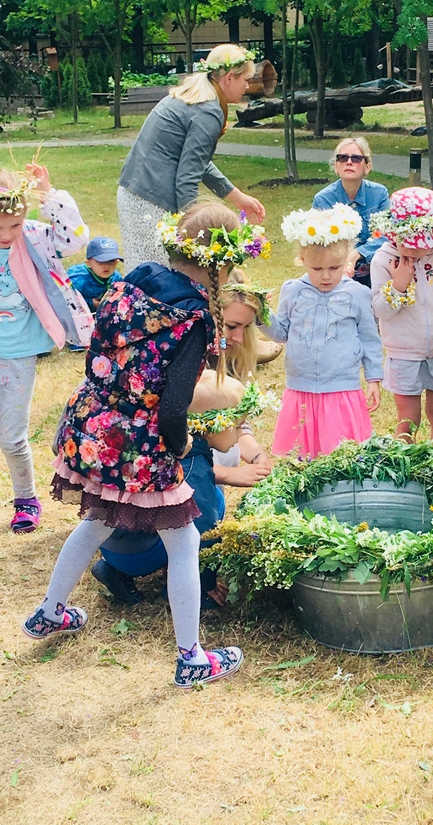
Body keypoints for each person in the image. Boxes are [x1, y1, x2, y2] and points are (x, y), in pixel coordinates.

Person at [21, 201, 268, 688]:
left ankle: (50, 611)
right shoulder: (194, 317)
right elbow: (174, 406)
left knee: (97, 520)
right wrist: (179, 446)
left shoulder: (136, 278)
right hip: (139, 443)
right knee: (186, 540)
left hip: (93, 424)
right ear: (221, 263)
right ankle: (191, 658)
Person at [90, 369, 247, 607]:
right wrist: (206, 581)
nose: (240, 434)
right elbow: (204, 531)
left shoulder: (163, 443)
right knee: (213, 507)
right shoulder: (194, 469)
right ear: (212, 426)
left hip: (112, 543)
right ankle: (184, 586)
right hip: (139, 554)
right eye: (237, 426)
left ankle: (112, 569)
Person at [0, 164, 93, 533]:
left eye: (14, 225)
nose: (6, 235)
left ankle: (26, 499)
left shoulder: (34, 238)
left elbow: (75, 239)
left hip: (18, 353)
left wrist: (48, 194)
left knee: (11, 435)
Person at [117, 43, 266, 272]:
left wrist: (236, 196)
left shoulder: (193, 97)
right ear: (228, 78)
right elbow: (187, 179)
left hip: (134, 193)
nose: (247, 86)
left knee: (144, 274)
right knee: (158, 278)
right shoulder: (208, 111)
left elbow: (197, 161)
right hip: (151, 202)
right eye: (245, 79)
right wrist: (192, 232)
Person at [263, 203, 383, 459]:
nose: (326, 276)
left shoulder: (357, 294)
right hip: (301, 388)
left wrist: (373, 378)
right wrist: (260, 313)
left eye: (335, 268)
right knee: (301, 457)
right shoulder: (293, 290)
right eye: (317, 269)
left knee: (339, 456)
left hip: (341, 388)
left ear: (346, 260)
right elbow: (281, 333)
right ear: (302, 260)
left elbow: (369, 339)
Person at [370, 187, 433, 441]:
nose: (411, 251)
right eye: (405, 243)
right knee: (408, 420)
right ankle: (403, 464)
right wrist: (399, 285)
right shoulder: (383, 260)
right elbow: (381, 311)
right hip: (403, 354)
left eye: (418, 245)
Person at [213, 275, 273, 487]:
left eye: (246, 327)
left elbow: (237, 424)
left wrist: (257, 456)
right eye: (231, 326)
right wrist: (226, 474)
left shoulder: (231, 356)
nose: (239, 337)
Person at [312, 137, 390, 286]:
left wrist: (358, 253)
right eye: (343, 158)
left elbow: (387, 235)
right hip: (337, 274)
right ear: (336, 166)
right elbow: (319, 244)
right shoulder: (323, 199)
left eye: (356, 158)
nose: (349, 162)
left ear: (367, 167)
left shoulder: (379, 194)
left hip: (377, 271)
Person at [67, 236, 123, 313]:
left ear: (116, 262)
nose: (107, 265)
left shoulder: (116, 278)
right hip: (79, 315)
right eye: (101, 261)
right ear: (88, 263)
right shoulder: (78, 280)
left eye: (111, 261)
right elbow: (66, 299)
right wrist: (90, 302)